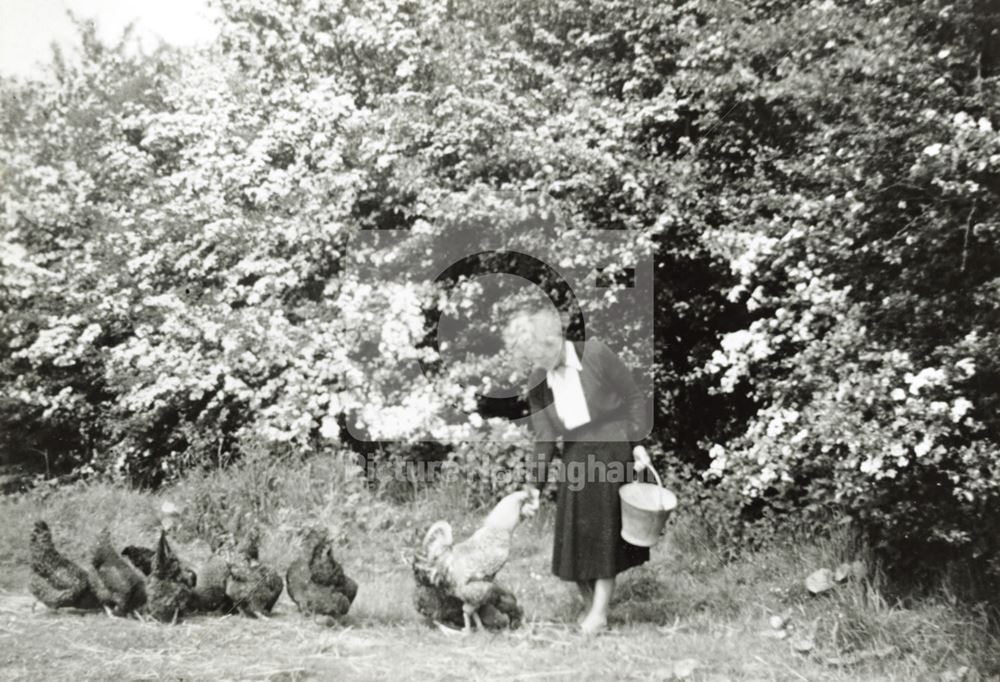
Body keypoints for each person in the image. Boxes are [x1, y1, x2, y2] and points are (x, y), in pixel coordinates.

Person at [503, 305, 652, 634]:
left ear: (553, 339)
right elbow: (544, 438)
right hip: (574, 457)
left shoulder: (596, 354)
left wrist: (638, 442)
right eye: (531, 359)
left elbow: (634, 396)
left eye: (541, 354)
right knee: (576, 541)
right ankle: (591, 606)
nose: (539, 364)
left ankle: (598, 614)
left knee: (603, 537)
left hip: (612, 448)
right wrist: (533, 488)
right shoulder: (538, 382)